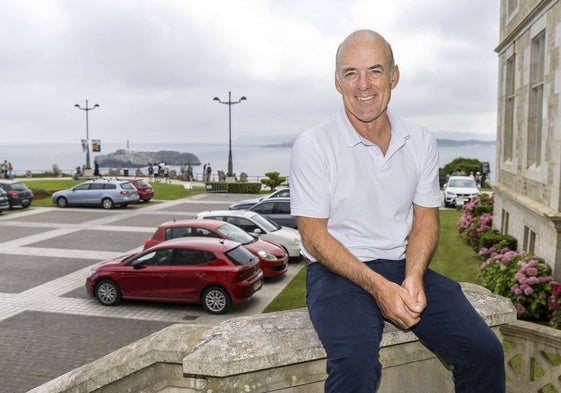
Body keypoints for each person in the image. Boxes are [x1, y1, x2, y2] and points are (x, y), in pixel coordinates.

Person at [290, 30, 505, 393]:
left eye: (375, 71)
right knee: (355, 369)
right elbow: (314, 236)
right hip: (337, 272)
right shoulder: (313, 145)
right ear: (337, 82)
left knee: (485, 352)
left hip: (403, 265)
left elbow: (425, 220)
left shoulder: (419, 140)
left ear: (394, 76)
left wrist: (415, 275)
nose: (363, 85)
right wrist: (378, 288)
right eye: (350, 73)